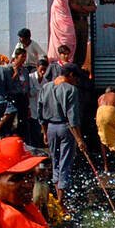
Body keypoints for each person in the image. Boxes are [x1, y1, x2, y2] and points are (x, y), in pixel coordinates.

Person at [41, 63, 84, 201]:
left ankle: (56, 197)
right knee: (65, 161)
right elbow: (72, 118)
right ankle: (61, 200)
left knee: (55, 161)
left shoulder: (46, 87)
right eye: (75, 78)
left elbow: (40, 113)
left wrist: (44, 132)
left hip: (50, 128)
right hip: (65, 128)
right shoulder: (71, 89)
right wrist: (79, 140)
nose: (76, 81)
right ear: (71, 75)